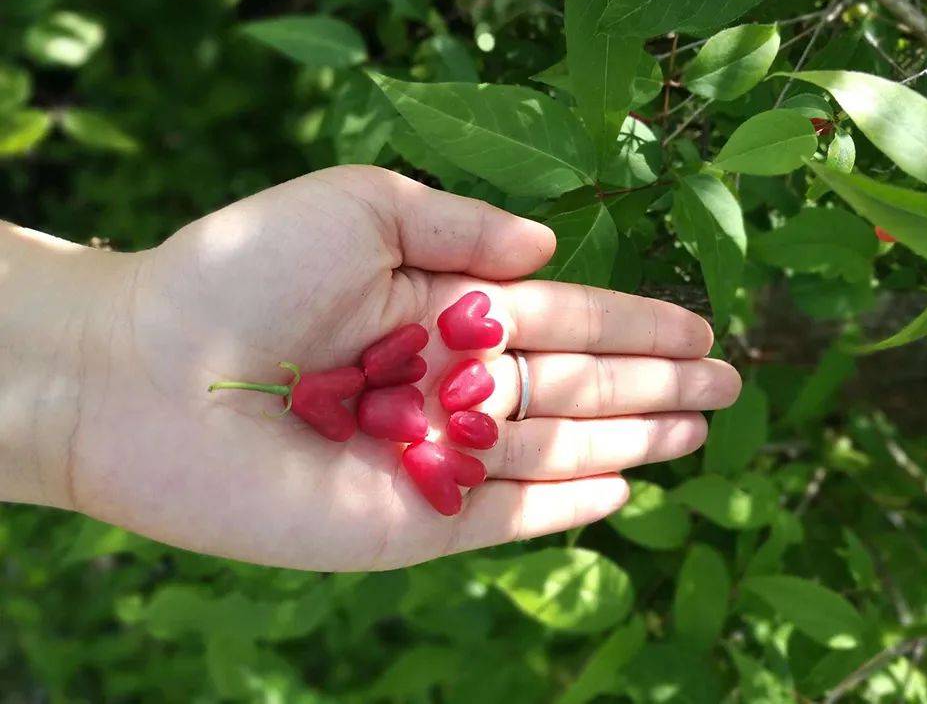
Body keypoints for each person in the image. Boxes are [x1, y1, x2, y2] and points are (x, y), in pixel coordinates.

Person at [0, 165, 741, 571]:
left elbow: (392, 399)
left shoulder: (387, 390)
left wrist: (104, 343)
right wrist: (109, 342)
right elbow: (375, 397)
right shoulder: (363, 388)